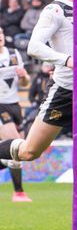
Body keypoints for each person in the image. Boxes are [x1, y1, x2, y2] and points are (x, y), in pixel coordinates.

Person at [0, 0, 73, 167]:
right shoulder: (55, 10)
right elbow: (34, 47)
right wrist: (66, 60)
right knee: (29, 151)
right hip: (66, 90)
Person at [0, 26, 31, 201]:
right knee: (16, 145)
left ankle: (18, 192)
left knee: (17, 153)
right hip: (0, 107)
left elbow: (25, 84)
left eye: (1, 33)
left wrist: (24, 76)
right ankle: (18, 193)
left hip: (15, 106)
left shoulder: (14, 54)